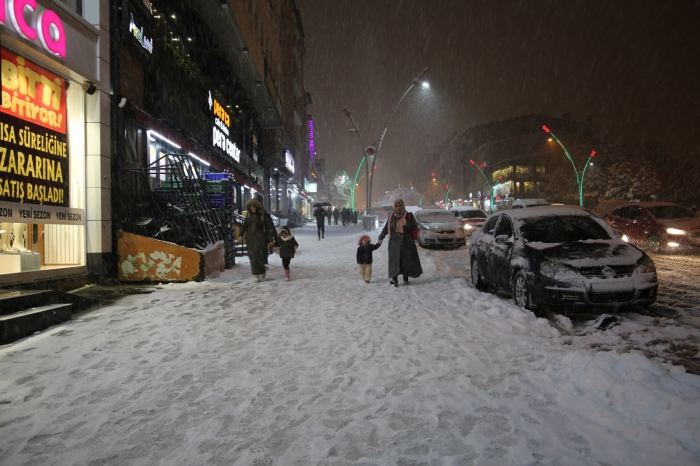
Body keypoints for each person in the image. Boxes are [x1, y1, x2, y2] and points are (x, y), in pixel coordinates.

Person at [378, 198, 423, 286]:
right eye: (396, 206)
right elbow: (386, 228)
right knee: (394, 261)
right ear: (394, 207)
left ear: (402, 206)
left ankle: (405, 278)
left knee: (405, 260)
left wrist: (407, 224)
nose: (398, 207)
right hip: (394, 243)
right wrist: (381, 237)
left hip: (406, 242)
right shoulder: (391, 217)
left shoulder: (408, 216)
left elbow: (414, 226)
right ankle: (394, 279)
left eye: (399, 206)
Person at [238, 198, 274, 282]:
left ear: (257, 207)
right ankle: (256, 275)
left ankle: (262, 270)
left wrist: (270, 240)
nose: (252, 208)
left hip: (261, 239)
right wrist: (240, 235)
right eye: (250, 207)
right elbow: (244, 226)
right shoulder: (249, 215)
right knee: (253, 257)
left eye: (253, 206)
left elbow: (267, 229)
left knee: (260, 256)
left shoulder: (262, 216)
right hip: (250, 239)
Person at [255, 195, 278, 264]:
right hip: (258, 236)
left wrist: (275, 238)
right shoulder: (253, 214)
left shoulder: (264, 215)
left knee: (263, 250)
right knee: (261, 250)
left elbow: (270, 227)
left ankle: (263, 262)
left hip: (263, 236)